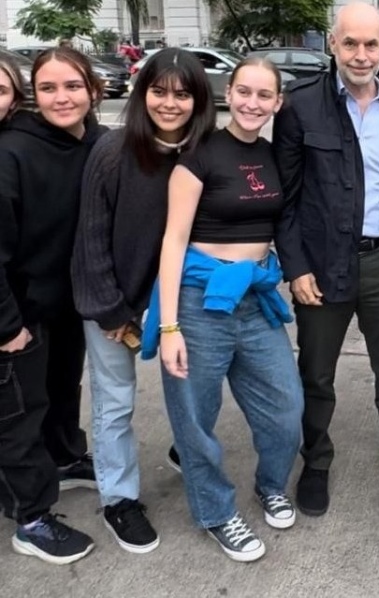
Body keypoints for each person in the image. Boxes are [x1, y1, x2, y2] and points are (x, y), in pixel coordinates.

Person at [272, 1, 379, 519]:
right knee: (316, 372)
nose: (361, 55)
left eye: (371, 44)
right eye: (351, 43)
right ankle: (315, 460)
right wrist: (295, 267)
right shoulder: (300, 106)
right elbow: (286, 199)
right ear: (332, 43)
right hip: (321, 263)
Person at [145, 56, 303, 563]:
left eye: (264, 96)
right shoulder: (199, 155)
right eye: (245, 92)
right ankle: (216, 511)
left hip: (255, 298)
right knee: (195, 416)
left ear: (277, 102)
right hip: (198, 301)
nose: (253, 103)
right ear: (228, 94)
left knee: (285, 409)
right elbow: (172, 242)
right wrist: (169, 325)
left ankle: (271, 485)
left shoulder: (277, 155)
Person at [71, 48, 216, 554]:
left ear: (199, 99)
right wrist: (109, 309)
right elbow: (89, 238)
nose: (170, 103)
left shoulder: (205, 153)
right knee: (114, 405)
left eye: (182, 93)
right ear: (142, 93)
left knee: (199, 387)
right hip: (116, 302)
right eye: (159, 91)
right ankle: (119, 500)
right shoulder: (112, 152)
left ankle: (187, 449)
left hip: (181, 302)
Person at [0, 47, 107, 564]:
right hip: (20, 313)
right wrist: (6, 324)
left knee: (63, 390)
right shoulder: (12, 152)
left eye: (72, 86)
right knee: (20, 415)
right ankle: (31, 518)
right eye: (48, 88)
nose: (62, 97)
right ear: (32, 95)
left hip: (69, 302)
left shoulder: (98, 143)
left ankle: (64, 459)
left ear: (93, 89)